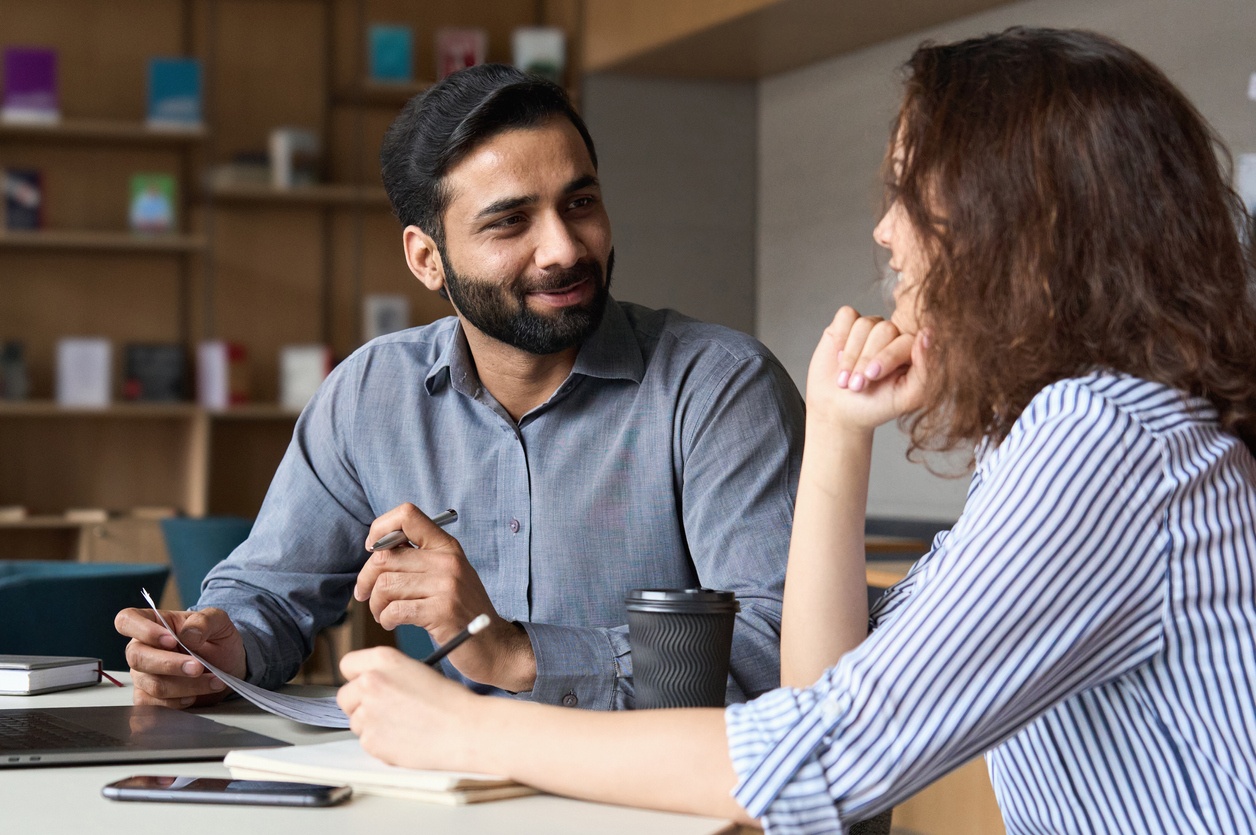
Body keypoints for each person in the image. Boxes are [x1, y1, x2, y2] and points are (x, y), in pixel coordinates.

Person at [333, 27, 1256, 833]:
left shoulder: (1104, 439)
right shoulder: (1073, 433)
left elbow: (820, 760)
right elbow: (823, 691)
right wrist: (839, 435)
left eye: (910, 190)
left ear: (1015, 218)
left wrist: (468, 724)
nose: (887, 233)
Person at [115, 65, 804, 711]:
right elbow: (270, 586)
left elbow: (786, 650)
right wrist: (220, 642)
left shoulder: (719, 386)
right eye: (510, 221)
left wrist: (519, 655)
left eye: (581, 202)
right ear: (427, 258)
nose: (564, 247)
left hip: (674, 800)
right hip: (458, 792)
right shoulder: (372, 393)